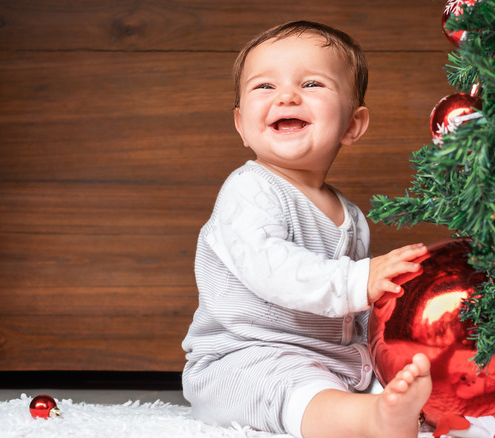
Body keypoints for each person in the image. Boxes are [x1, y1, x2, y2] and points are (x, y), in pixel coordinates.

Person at [181, 21, 432, 438]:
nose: (287, 96)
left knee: (383, 376)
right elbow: (271, 266)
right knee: (291, 390)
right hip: (241, 359)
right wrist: (358, 279)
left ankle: (393, 406)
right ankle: (369, 421)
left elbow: (356, 311)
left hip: (333, 358)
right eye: (264, 87)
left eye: (312, 83)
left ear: (353, 124)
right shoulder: (248, 190)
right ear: (242, 125)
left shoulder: (349, 214)